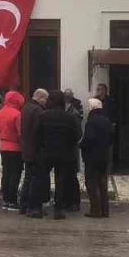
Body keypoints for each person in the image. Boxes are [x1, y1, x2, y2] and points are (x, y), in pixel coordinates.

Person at [33, 91, 82, 219]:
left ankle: (37, 207)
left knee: (41, 179)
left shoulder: (43, 116)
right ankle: (58, 209)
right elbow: (77, 135)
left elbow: (36, 134)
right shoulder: (69, 117)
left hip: (45, 152)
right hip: (63, 153)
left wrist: (39, 149)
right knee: (61, 181)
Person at [81, 97, 114, 218]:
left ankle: (95, 210)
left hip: (92, 157)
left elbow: (88, 139)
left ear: (92, 108)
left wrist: (82, 146)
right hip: (104, 156)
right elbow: (111, 138)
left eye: (88, 106)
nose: (87, 108)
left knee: (91, 183)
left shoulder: (92, 121)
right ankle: (105, 210)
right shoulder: (106, 120)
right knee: (103, 184)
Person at [18, 89, 48, 217]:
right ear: (40, 97)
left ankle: (23, 206)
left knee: (28, 178)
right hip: (36, 151)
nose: (46, 102)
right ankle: (33, 207)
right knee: (35, 180)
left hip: (27, 149)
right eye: (45, 99)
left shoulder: (26, 108)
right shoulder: (38, 111)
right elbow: (39, 131)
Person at [0, 91, 25, 211]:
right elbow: (20, 133)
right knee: (15, 174)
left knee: (6, 173)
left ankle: (6, 200)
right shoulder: (17, 114)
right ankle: (12, 201)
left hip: (3, 147)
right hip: (16, 148)